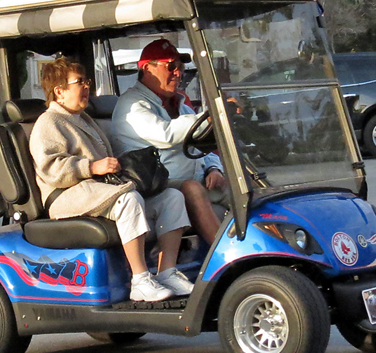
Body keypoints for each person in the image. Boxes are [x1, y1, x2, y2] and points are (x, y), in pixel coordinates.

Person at [29, 57, 193, 302]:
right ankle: (140, 279)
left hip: (94, 190)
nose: (87, 87)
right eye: (79, 82)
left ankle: (167, 271)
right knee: (128, 198)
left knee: (171, 197)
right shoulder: (49, 122)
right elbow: (51, 168)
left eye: (87, 81)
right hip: (67, 195)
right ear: (59, 91)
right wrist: (91, 166)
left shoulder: (84, 119)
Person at [113, 39, 228, 246]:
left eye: (181, 67)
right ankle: (227, 257)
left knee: (244, 182)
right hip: (155, 184)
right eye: (171, 66)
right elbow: (166, 135)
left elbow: (200, 143)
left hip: (194, 177)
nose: (178, 73)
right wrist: (210, 118)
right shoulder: (132, 105)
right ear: (147, 68)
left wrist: (214, 167)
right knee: (191, 189)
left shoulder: (179, 104)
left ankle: (273, 248)